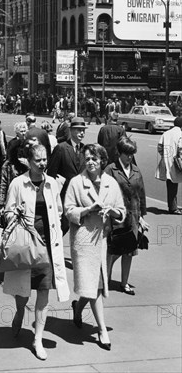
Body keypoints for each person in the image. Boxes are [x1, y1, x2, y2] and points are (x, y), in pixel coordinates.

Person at [3, 144, 70, 361]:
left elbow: (59, 212)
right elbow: (7, 212)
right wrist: (15, 214)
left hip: (48, 248)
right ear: (28, 162)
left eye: (44, 160)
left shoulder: (52, 184)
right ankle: (20, 312)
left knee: (43, 291)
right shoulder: (18, 183)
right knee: (23, 291)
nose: (42, 164)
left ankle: (37, 339)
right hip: (25, 246)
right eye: (38, 160)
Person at [64, 143, 126, 351]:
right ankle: (102, 330)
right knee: (96, 286)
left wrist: (112, 211)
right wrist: (88, 209)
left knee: (92, 285)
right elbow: (68, 211)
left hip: (102, 241)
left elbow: (121, 211)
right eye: (87, 158)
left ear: (102, 161)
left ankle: (77, 307)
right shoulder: (75, 182)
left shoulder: (110, 183)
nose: (90, 162)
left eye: (94, 159)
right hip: (83, 240)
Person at [105, 137, 149, 294]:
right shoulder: (110, 169)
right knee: (112, 250)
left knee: (129, 252)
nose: (130, 157)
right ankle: (105, 280)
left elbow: (141, 195)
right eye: (127, 154)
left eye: (132, 154)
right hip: (116, 218)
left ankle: (124, 283)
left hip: (133, 217)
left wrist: (142, 217)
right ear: (119, 152)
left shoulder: (136, 170)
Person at [155, 116, 182, 214]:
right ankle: (173, 208)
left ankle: (172, 207)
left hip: (168, 162)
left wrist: (165, 156)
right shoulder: (180, 134)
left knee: (171, 185)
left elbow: (159, 147)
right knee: (174, 184)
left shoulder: (166, 133)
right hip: (178, 162)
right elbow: (180, 149)